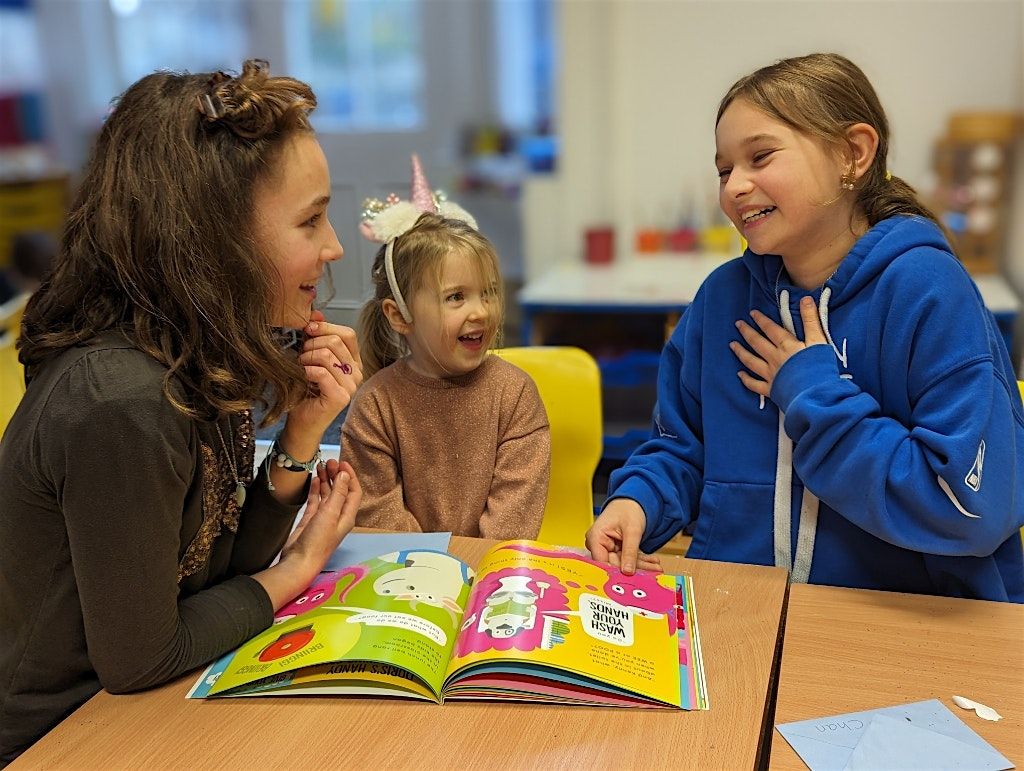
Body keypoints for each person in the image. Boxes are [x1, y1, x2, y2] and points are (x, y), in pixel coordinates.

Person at [0, 60, 365, 764]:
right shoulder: (121, 400)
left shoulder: (202, 350)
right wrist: (297, 568)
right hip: (56, 740)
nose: (334, 246)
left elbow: (213, 570)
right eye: (310, 219)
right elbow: (142, 656)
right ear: (215, 237)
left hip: (139, 710)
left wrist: (300, 440)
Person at [587, 53, 1024, 603]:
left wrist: (816, 393)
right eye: (724, 170)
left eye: (760, 156)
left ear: (853, 153)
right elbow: (681, 448)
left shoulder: (927, 290)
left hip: (904, 629)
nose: (734, 187)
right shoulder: (723, 299)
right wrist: (638, 501)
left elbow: (971, 509)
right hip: (739, 613)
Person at [340, 155, 550, 539]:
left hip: (492, 578)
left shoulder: (515, 395)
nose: (481, 311)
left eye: (487, 293)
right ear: (399, 315)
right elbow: (378, 517)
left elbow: (512, 524)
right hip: (408, 580)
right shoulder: (374, 406)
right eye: (456, 297)